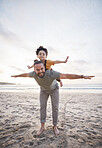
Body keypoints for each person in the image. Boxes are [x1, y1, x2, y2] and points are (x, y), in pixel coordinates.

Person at [11, 61, 95, 136]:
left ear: (44, 67)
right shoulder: (33, 74)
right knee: (42, 107)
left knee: (55, 108)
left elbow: (66, 75)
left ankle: (55, 126)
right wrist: (16, 76)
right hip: (43, 90)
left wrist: (82, 76)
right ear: (34, 70)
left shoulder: (51, 73)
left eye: (41, 68)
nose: (40, 71)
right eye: (37, 70)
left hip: (54, 90)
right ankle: (42, 127)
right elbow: (24, 74)